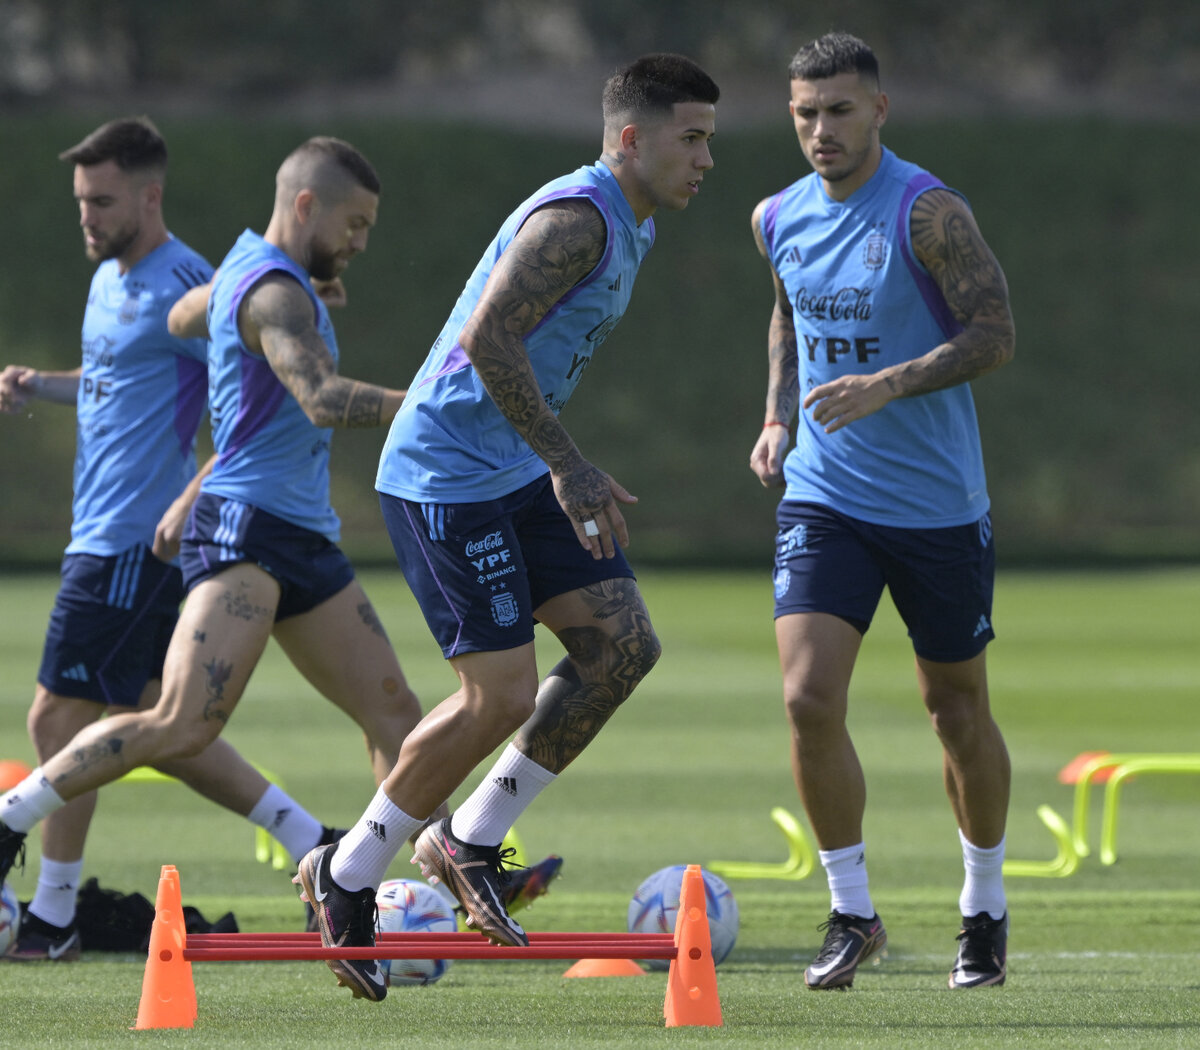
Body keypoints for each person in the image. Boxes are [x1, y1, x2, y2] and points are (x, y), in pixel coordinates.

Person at [294, 53, 719, 1002]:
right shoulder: (577, 223)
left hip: (513, 470)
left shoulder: (636, 225)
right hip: (445, 477)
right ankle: (349, 872)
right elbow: (489, 337)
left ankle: (472, 838)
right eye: (691, 138)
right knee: (496, 694)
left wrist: (557, 459)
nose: (706, 159)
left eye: (709, 140)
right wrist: (569, 464)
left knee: (621, 645)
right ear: (631, 140)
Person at [0, 136, 443, 935]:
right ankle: (10, 819)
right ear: (306, 205)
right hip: (244, 528)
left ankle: (388, 883)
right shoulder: (273, 293)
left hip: (303, 532)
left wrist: (257, 303)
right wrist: (432, 402)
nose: (361, 243)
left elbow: (181, 315)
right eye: (355, 223)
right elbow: (317, 395)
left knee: (395, 712)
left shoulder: (244, 275)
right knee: (178, 721)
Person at [747, 32, 1016, 991]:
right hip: (826, 496)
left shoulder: (928, 211)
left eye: (841, 110)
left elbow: (996, 331)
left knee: (955, 712)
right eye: (806, 113)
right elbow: (786, 311)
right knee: (806, 697)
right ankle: (851, 913)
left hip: (938, 506)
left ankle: (982, 904)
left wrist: (888, 383)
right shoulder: (775, 215)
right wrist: (780, 415)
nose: (822, 130)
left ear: (879, 110)